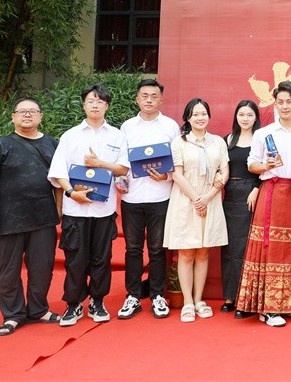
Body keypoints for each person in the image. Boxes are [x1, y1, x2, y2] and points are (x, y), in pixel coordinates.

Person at [48, 83, 130, 326]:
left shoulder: (117, 135)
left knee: (102, 259)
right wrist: (72, 193)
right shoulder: (70, 135)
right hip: (76, 209)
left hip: (104, 210)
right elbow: (59, 171)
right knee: (75, 259)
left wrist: (100, 164)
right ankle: (73, 304)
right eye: (90, 101)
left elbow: (124, 168)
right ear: (83, 105)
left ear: (107, 106)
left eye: (100, 101)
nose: (95, 105)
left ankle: (97, 301)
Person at [0, 97, 61, 336]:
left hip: (43, 218)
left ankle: (38, 310)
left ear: (41, 117)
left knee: (43, 267)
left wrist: (59, 210)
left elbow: (59, 181)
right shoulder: (1, 145)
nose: (27, 115)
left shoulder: (53, 144)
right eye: (22, 111)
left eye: (32, 111)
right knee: (9, 270)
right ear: (13, 117)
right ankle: (13, 315)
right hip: (8, 218)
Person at [237, 80, 291, 327]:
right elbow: (251, 164)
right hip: (272, 192)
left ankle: (290, 304)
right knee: (271, 249)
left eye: (289, 101)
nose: (285, 106)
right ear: (275, 104)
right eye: (280, 102)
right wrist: (266, 166)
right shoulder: (264, 133)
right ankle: (267, 308)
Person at [117, 78, 180, 320]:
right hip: (132, 197)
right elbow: (121, 161)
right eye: (145, 96)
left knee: (157, 249)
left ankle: (157, 295)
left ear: (161, 100)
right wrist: (120, 182)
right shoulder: (127, 127)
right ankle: (132, 296)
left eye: (154, 96)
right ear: (137, 99)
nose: (149, 100)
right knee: (132, 249)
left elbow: (177, 160)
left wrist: (166, 175)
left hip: (160, 196)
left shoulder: (170, 126)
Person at [163, 98, 229, 323]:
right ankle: (187, 302)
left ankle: (199, 300)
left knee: (203, 252)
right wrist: (196, 199)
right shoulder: (179, 143)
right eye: (195, 114)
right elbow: (177, 174)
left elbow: (224, 171)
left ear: (209, 116)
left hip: (210, 200)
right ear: (188, 118)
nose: (200, 118)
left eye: (204, 114)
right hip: (185, 201)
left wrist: (208, 197)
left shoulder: (218, 142)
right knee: (186, 252)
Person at [220, 100, 262, 315]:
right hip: (229, 195)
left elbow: (269, 169)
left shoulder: (261, 139)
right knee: (228, 248)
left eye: (249, 115)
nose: (245, 119)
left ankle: (246, 300)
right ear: (236, 116)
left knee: (245, 248)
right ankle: (229, 297)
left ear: (256, 118)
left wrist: (257, 188)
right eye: (241, 115)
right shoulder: (228, 140)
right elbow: (221, 168)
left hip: (251, 196)